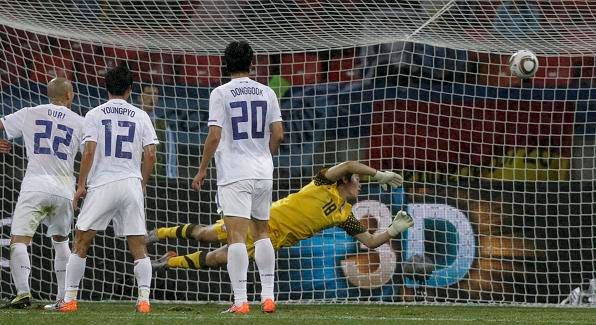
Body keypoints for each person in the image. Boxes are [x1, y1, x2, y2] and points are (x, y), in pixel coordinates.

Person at [147, 161, 413, 278]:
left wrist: (393, 229)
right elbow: (349, 165)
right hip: (261, 221)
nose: (360, 184)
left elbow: (370, 240)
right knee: (204, 234)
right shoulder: (322, 184)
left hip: (270, 241)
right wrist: (379, 175)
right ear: (345, 181)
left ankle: (168, 263)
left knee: (218, 259)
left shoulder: (345, 215)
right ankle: (160, 233)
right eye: (359, 181)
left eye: (362, 180)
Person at [191, 40, 284, 314]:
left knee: (236, 237)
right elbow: (278, 134)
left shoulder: (221, 93)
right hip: (263, 172)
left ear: (225, 63)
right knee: (262, 232)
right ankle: (268, 297)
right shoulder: (267, 92)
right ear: (251, 63)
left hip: (234, 173)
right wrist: (265, 157)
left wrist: (202, 168)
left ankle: (241, 301)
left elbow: (215, 135)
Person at [58, 64, 158, 313]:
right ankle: (144, 300)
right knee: (138, 245)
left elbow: (89, 151)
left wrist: (81, 185)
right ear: (130, 89)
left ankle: (70, 298)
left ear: (106, 87)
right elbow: (151, 155)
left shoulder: (94, 114)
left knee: (81, 240)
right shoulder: (141, 115)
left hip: (103, 183)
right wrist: (142, 182)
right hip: (130, 184)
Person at [0, 78, 83, 309]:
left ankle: (23, 293)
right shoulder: (80, 122)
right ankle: (61, 299)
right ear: (69, 95)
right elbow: (91, 153)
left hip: (34, 186)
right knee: (61, 242)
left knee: (19, 240)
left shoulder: (29, 112)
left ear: (49, 95)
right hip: (64, 188)